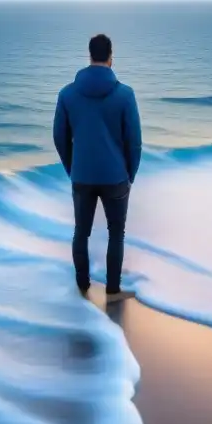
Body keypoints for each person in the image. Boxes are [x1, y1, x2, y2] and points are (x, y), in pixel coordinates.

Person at [53, 33, 142, 302]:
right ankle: (113, 290)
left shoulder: (67, 94)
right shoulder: (125, 95)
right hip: (116, 177)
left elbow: (59, 137)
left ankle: (82, 287)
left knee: (82, 231)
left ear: (89, 55)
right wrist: (130, 174)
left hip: (82, 175)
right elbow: (134, 142)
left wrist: (73, 168)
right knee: (116, 233)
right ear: (111, 56)